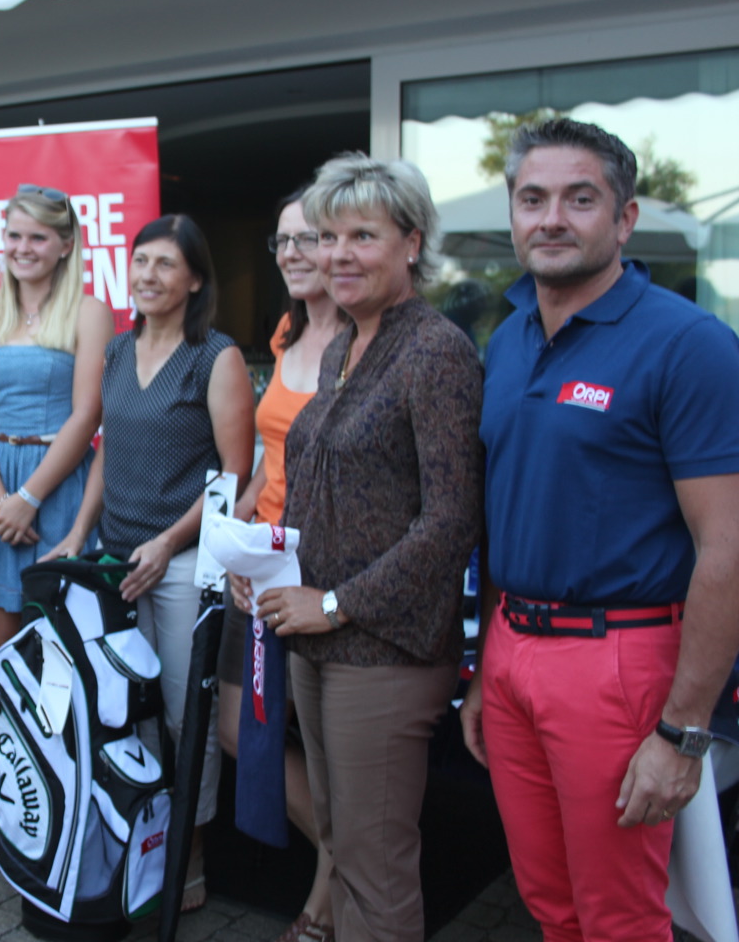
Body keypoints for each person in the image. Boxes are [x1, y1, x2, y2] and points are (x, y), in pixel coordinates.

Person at [459, 119, 739, 942]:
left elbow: (733, 550)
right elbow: (510, 511)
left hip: (619, 660)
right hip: (513, 647)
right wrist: (487, 667)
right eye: (532, 199)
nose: (552, 218)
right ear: (514, 217)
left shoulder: (688, 344)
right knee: (549, 904)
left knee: (619, 917)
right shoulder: (509, 340)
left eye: (579, 199)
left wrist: (684, 733)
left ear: (624, 219)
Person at [243, 153, 482, 942]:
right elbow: (321, 491)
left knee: (376, 872)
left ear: (411, 243)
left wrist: (336, 603)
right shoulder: (344, 345)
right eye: (327, 236)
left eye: (362, 236)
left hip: (384, 649)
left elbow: (451, 522)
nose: (338, 254)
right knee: (342, 849)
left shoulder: (436, 352)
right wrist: (266, 567)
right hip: (317, 638)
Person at [49, 214, 253, 912]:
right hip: (116, 562)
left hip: (182, 565)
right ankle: (145, 841)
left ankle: (189, 856)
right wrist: (80, 531)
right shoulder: (116, 350)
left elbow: (232, 477)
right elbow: (108, 450)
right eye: (141, 262)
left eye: (166, 264)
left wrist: (168, 543)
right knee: (128, 716)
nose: (148, 275)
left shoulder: (214, 357)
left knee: (184, 716)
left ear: (195, 280)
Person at [220, 192, 343, 942]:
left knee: (328, 747)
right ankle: (338, 848)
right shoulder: (288, 330)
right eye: (283, 241)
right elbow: (272, 461)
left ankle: (327, 897)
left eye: (309, 238)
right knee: (239, 727)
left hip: (320, 575)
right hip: (262, 568)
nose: (293, 253)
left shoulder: (362, 341)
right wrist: (237, 538)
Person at [0, 184, 113, 649]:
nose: (22, 248)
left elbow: (87, 415)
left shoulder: (89, 313)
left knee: (61, 634)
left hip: (58, 484)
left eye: (38, 237)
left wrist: (29, 496)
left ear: (65, 245)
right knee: (2, 634)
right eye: (14, 235)